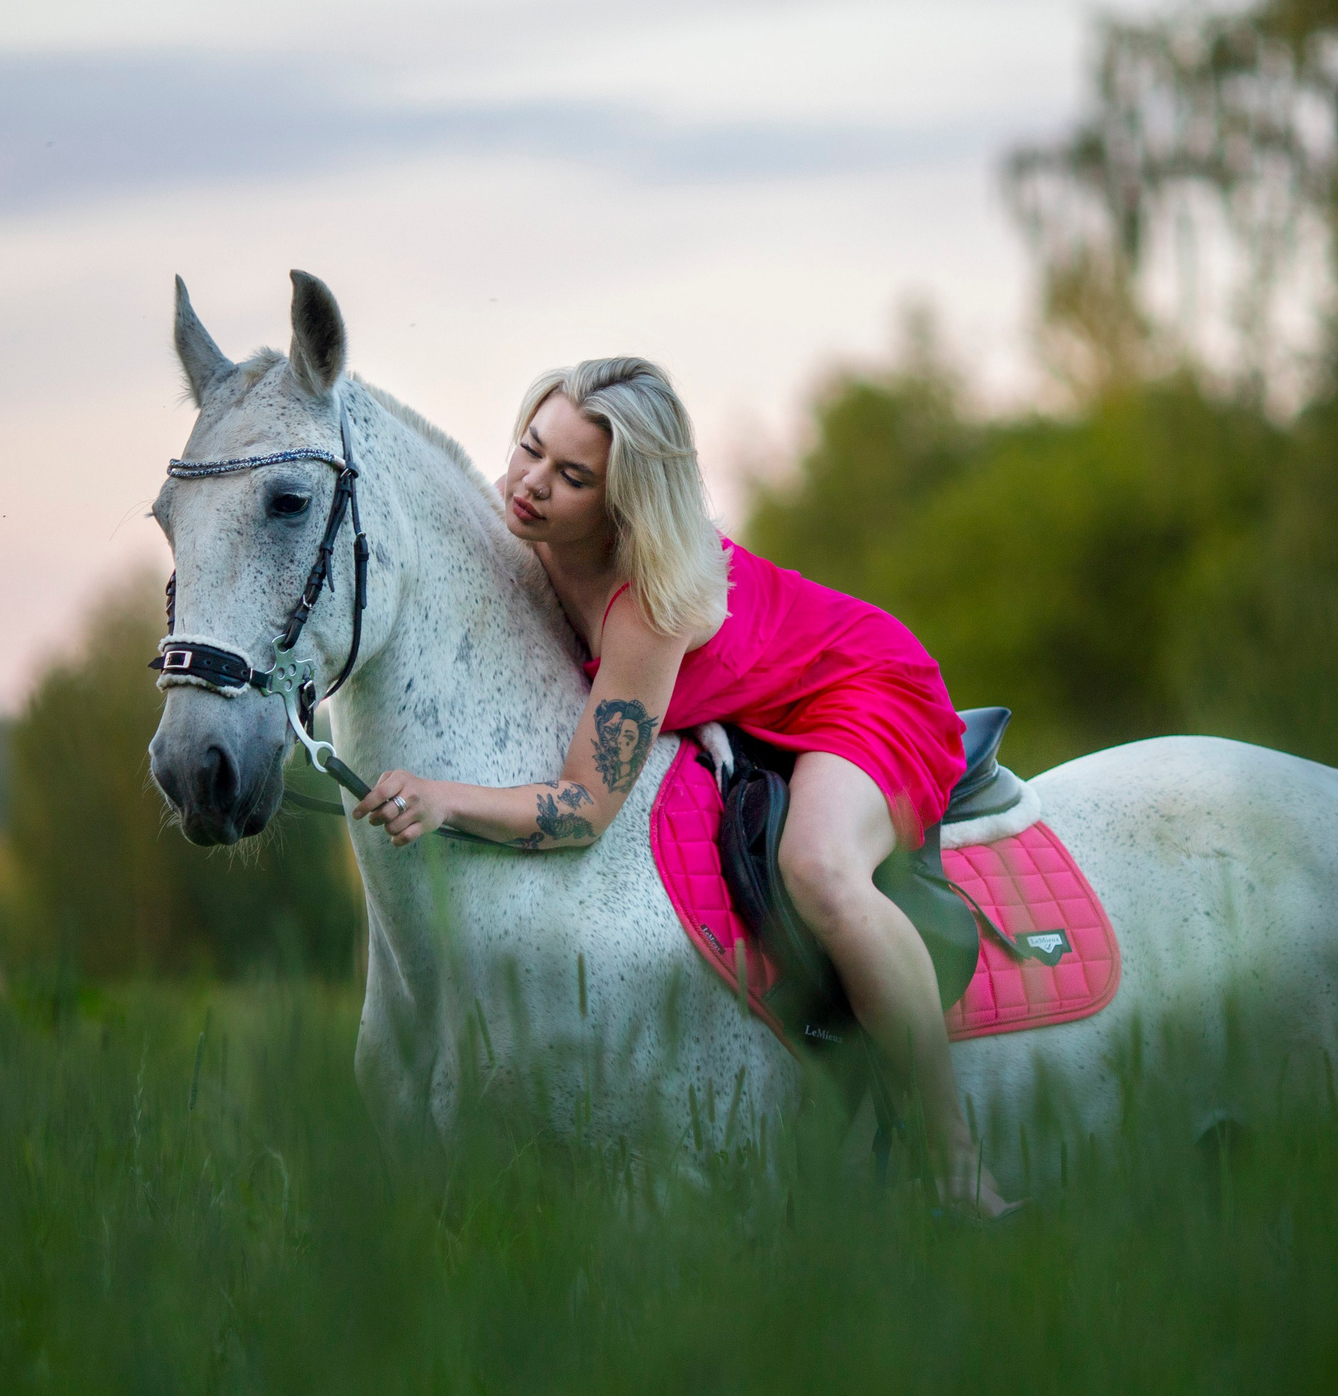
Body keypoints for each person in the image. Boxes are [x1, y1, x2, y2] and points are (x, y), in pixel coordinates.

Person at [352, 357, 1012, 1216]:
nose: (531, 482)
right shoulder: (525, 522)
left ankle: (955, 1156)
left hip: (859, 688)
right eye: (531, 446)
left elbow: (584, 808)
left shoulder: (645, 607)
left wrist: (448, 797)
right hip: (763, 693)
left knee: (819, 868)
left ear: (621, 503)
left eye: (573, 476)